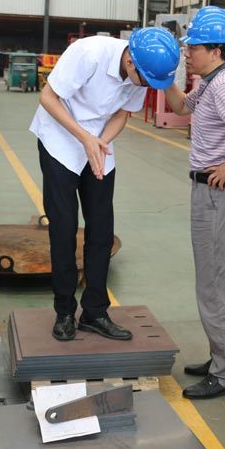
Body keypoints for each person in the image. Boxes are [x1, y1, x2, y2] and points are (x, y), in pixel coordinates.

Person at [29, 27, 180, 342]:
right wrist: (84, 138)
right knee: (64, 228)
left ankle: (95, 312)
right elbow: (48, 98)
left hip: (98, 141)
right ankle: (64, 312)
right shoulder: (89, 54)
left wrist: (99, 143)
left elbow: (122, 115)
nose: (146, 87)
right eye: (145, 81)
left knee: (101, 230)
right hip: (60, 137)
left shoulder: (142, 71)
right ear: (130, 62)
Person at [162, 6, 225, 400]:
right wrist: (163, 76)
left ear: (217, 51)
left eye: (194, 48)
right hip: (214, 193)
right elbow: (180, 108)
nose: (188, 53)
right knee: (215, 279)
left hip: (222, 193)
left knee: (217, 284)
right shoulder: (209, 81)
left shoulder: (222, 86)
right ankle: (222, 356)